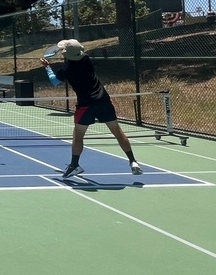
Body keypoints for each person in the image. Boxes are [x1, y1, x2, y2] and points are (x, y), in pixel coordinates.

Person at [41, 39, 143, 178]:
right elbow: (73, 55)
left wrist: (47, 67)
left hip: (86, 105)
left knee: (78, 135)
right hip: (104, 101)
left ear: (66, 53)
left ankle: (74, 165)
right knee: (117, 131)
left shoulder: (67, 69)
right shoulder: (86, 59)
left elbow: (54, 82)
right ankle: (133, 161)